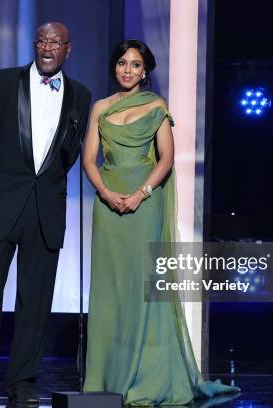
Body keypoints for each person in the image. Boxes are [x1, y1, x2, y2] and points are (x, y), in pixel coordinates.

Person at [82, 39, 240, 406]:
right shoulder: (100, 108)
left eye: (135, 64)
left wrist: (140, 194)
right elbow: (89, 158)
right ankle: (106, 377)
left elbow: (166, 159)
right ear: (114, 67)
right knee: (111, 291)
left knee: (142, 289)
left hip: (143, 206)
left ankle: (144, 377)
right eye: (122, 63)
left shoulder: (156, 106)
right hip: (108, 207)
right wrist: (106, 193)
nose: (127, 70)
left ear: (145, 71)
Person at [0, 22, 91, 405]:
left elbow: (68, 155)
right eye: (43, 40)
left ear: (69, 49)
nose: (48, 47)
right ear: (35, 45)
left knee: (35, 300)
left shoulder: (80, 96)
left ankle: (23, 381)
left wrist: (46, 185)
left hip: (45, 209)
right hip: (2, 204)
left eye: (56, 42)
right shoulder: (2, 82)